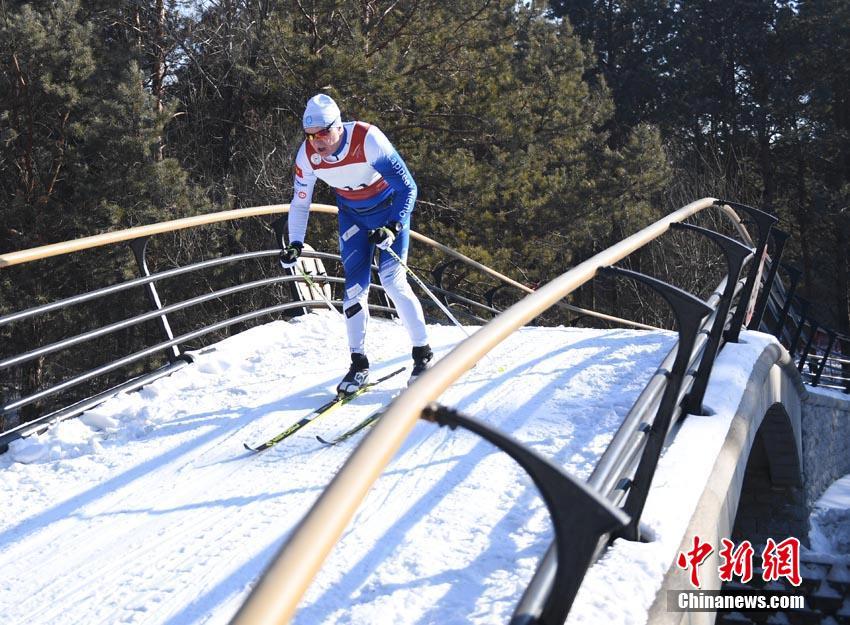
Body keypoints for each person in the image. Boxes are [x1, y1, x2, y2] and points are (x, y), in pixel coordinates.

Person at [280, 93, 433, 394]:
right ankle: (358, 364)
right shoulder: (307, 156)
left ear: (338, 126)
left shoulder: (368, 139)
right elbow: (300, 203)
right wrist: (296, 243)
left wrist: (393, 225)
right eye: (310, 135)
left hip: (389, 211)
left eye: (323, 132)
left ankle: (422, 355)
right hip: (353, 218)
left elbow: (408, 187)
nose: (317, 142)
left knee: (392, 282)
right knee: (352, 292)